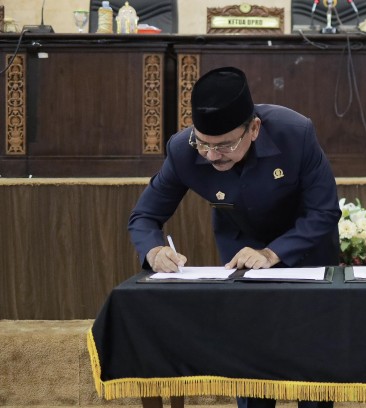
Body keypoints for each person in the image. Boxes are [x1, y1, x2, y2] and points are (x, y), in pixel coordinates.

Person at [128, 66, 340, 408]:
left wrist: (271, 253)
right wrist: (153, 250)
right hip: (241, 262)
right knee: (251, 367)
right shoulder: (183, 149)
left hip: (307, 253)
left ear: (253, 128)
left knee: (312, 373)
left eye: (225, 145)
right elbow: (144, 216)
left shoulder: (295, 133)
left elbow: (324, 212)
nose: (212, 156)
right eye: (203, 144)